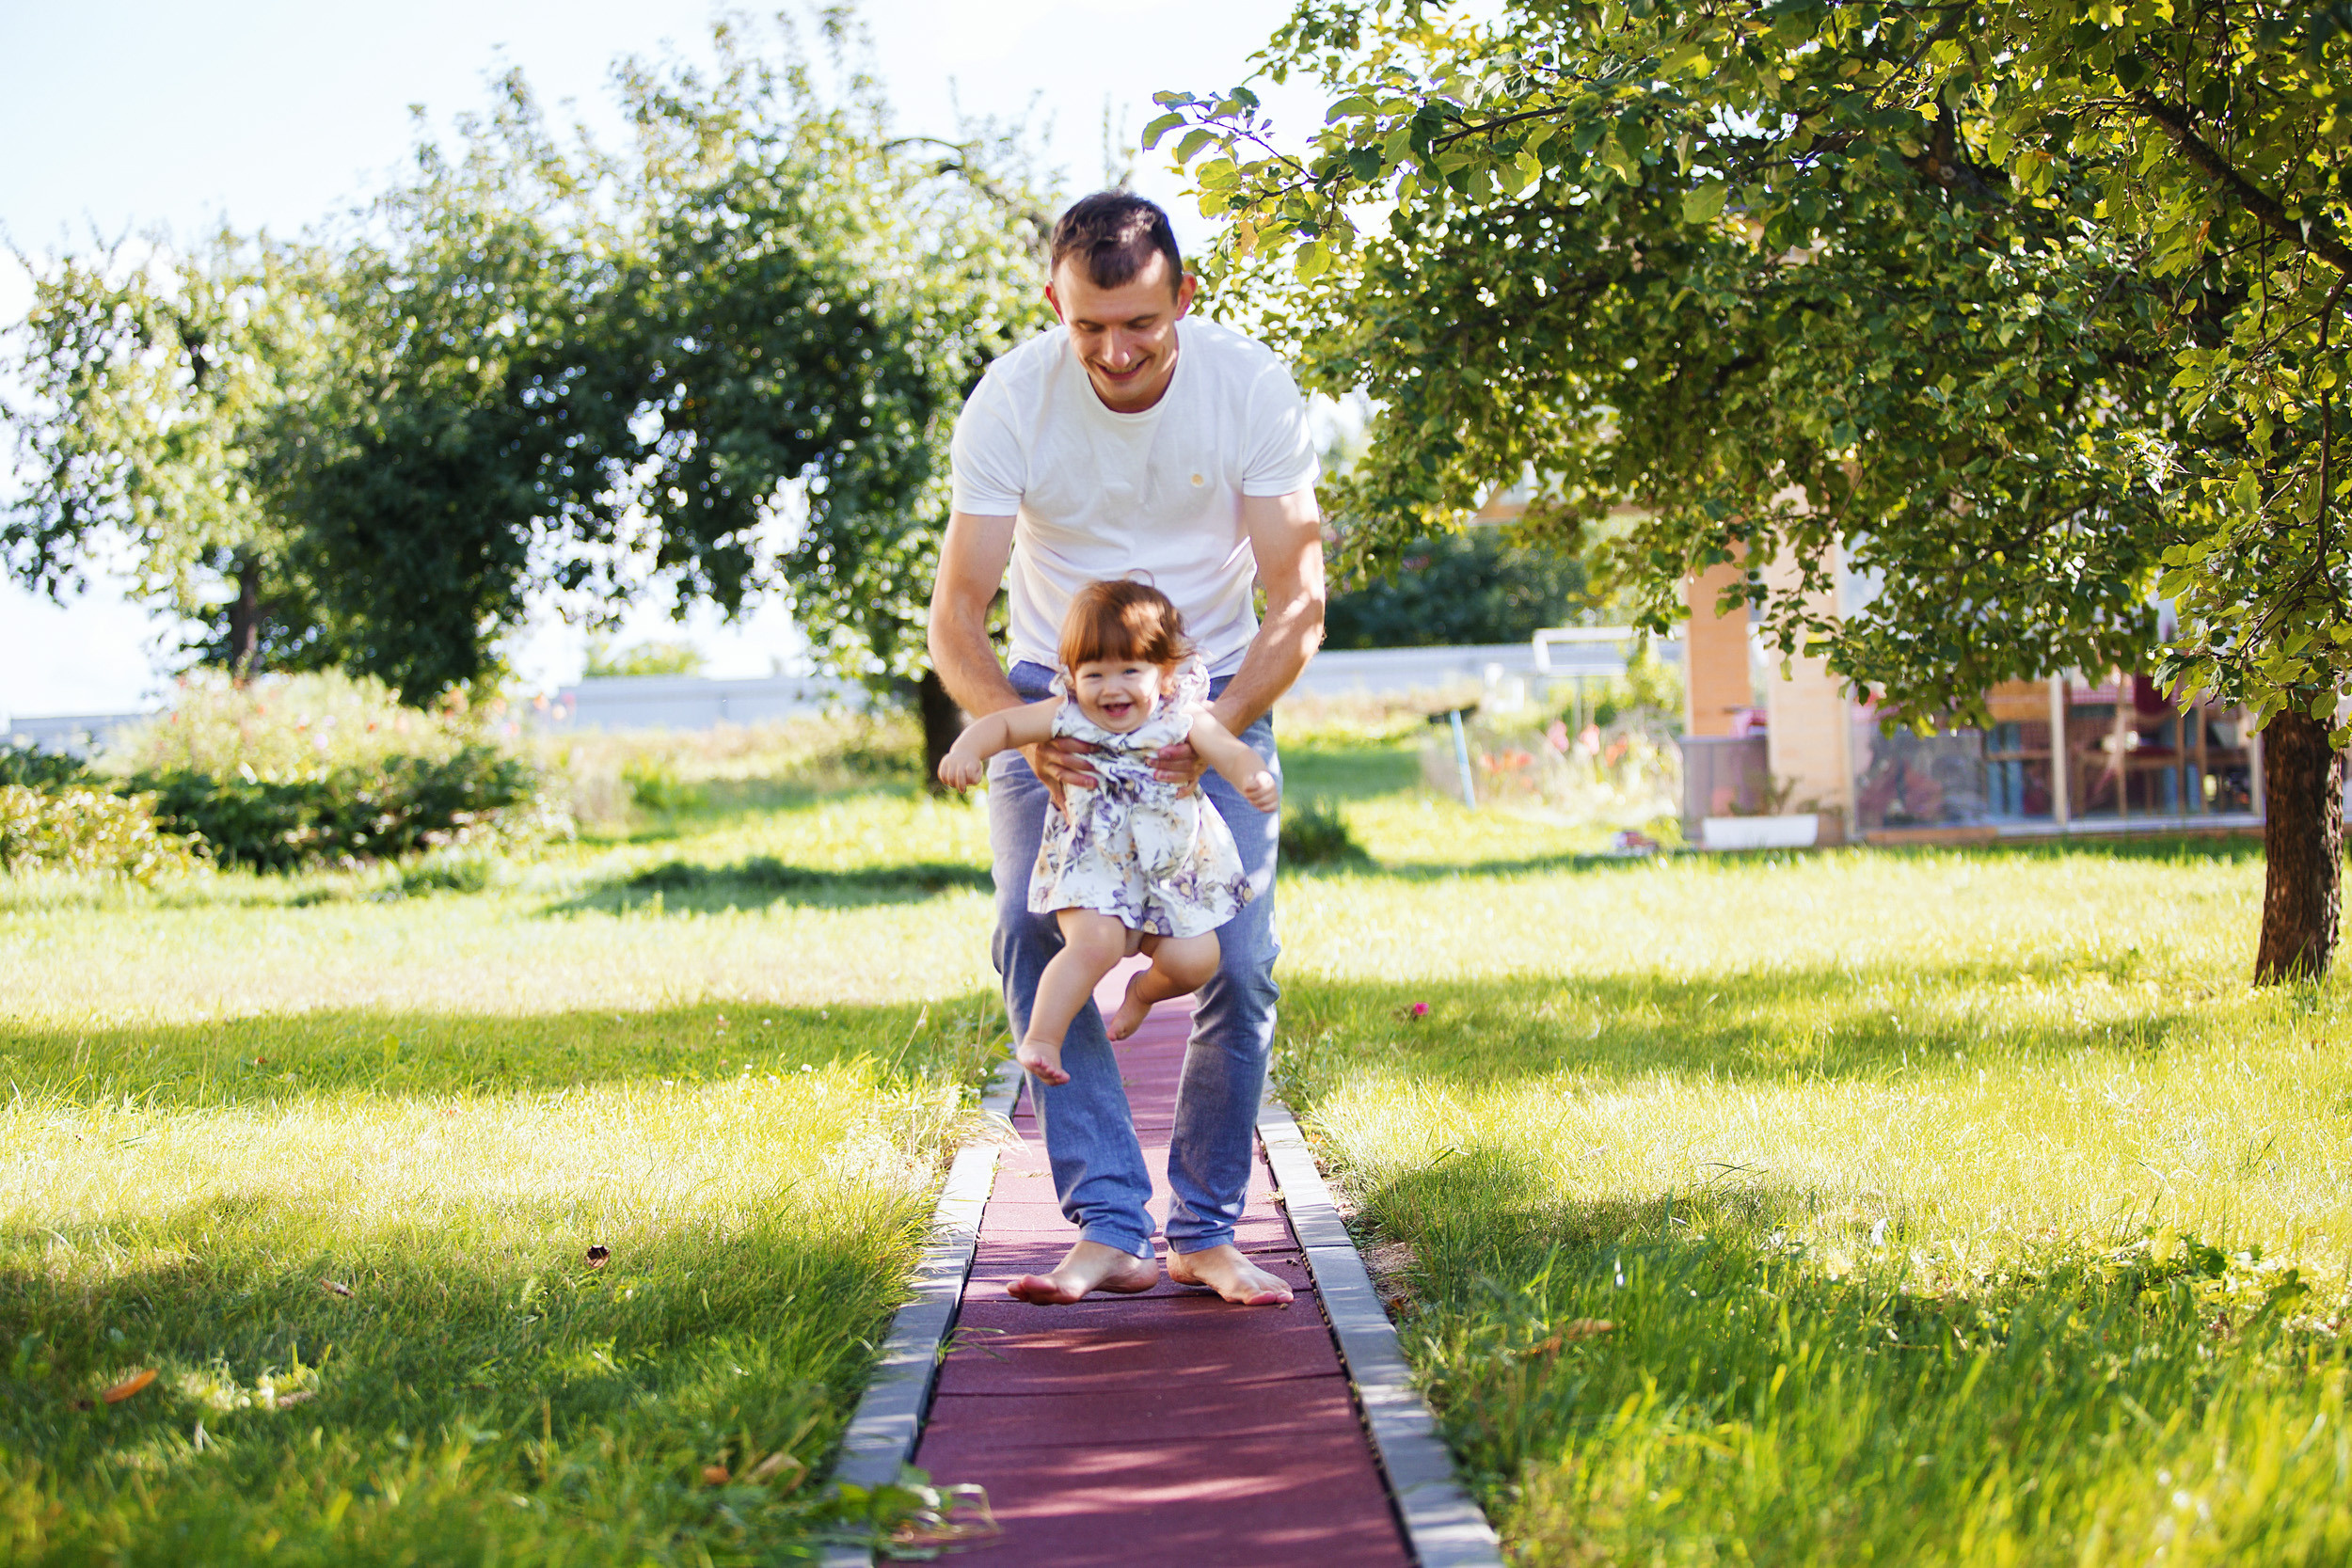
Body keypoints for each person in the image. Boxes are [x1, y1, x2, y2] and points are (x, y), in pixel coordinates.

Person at [928, 191, 1325, 1308]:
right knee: (1025, 927)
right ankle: (1107, 1220)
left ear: (1183, 300)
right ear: (1054, 300)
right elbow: (957, 613)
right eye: (1088, 324)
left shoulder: (1247, 386)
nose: (1114, 349)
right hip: (1060, 692)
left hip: (1213, 692)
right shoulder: (1012, 399)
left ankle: (1203, 1228)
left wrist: (1223, 735)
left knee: (1235, 958)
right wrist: (1016, 735)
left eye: (1140, 324)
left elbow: (1298, 600)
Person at [938, 579, 1280, 1085]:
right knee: (1094, 945)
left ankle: (1142, 992)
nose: (1111, 688)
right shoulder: (1068, 716)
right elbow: (1005, 728)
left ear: (1163, 673)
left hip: (1171, 873)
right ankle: (1042, 1039)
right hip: (1094, 864)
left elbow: (1229, 750)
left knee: (1197, 961)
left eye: (1130, 671)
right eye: (1094, 673)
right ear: (1072, 677)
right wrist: (967, 749)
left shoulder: (1182, 718)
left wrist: (1252, 775)